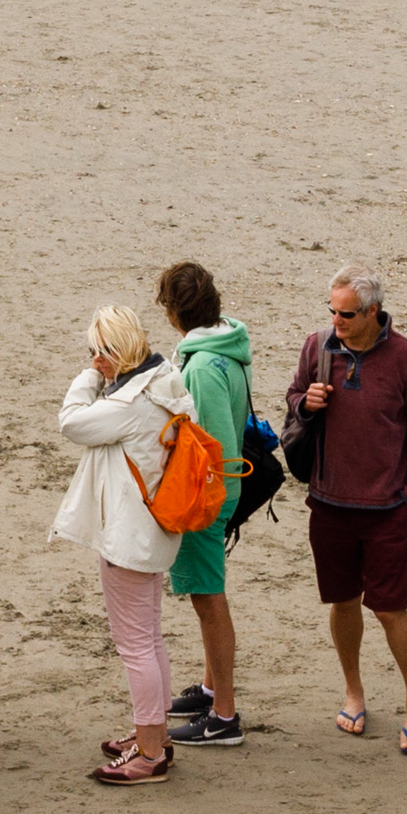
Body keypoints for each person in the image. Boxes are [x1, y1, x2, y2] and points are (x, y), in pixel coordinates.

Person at [274, 265, 407, 751]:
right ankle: (354, 691)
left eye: (346, 314)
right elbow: (291, 402)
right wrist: (307, 403)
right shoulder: (316, 346)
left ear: (372, 312)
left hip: (388, 510)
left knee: (390, 609)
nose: (336, 321)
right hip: (328, 503)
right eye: (332, 312)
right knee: (342, 603)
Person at [50, 304, 194, 787]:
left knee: (135, 645)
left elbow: (72, 423)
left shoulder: (129, 404)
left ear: (112, 352)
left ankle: (150, 753)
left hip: (130, 538)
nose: (94, 361)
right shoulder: (166, 380)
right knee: (149, 638)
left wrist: (87, 378)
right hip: (156, 530)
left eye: (97, 353)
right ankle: (154, 735)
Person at [150, 264, 256, 747]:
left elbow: (205, 444)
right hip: (221, 491)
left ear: (175, 313)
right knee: (208, 593)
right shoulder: (222, 348)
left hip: (206, 498)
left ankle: (224, 716)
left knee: (208, 598)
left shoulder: (201, 368)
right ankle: (213, 688)